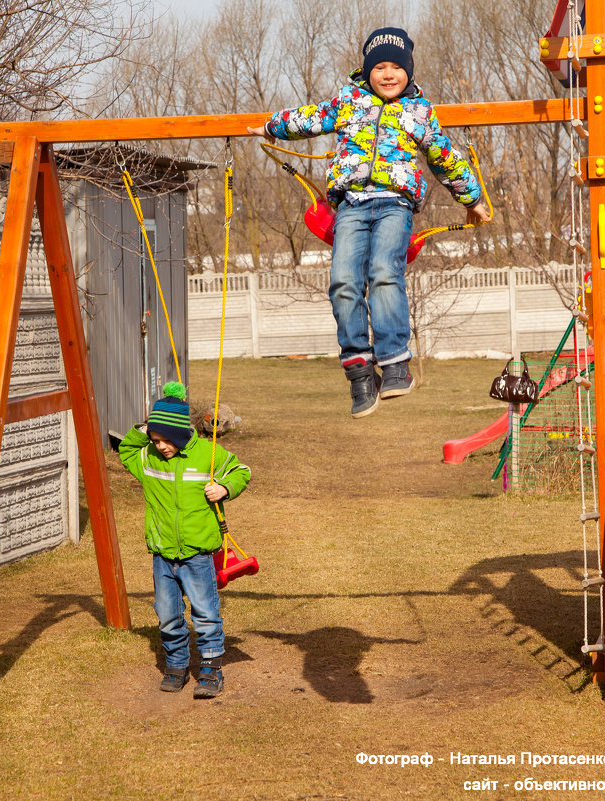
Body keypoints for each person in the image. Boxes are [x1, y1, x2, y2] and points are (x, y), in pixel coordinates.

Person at [247, 26, 491, 417]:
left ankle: (395, 363)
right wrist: (272, 126)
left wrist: (472, 198)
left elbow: (445, 156)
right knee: (343, 281)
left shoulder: (419, 112)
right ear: (368, 71)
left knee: (383, 271)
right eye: (380, 67)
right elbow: (311, 118)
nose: (389, 74)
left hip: (395, 204)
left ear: (409, 72)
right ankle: (360, 371)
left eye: (397, 67)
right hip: (352, 205)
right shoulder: (349, 101)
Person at [118, 382, 251, 698]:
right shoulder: (147, 458)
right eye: (155, 439)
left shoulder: (208, 454)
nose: (161, 446)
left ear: (180, 434)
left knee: (205, 613)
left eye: (166, 440)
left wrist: (224, 489)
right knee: (167, 615)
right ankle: (176, 666)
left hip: (197, 553)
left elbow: (240, 470)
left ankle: (210, 669)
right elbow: (125, 448)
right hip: (163, 552)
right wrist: (147, 428)